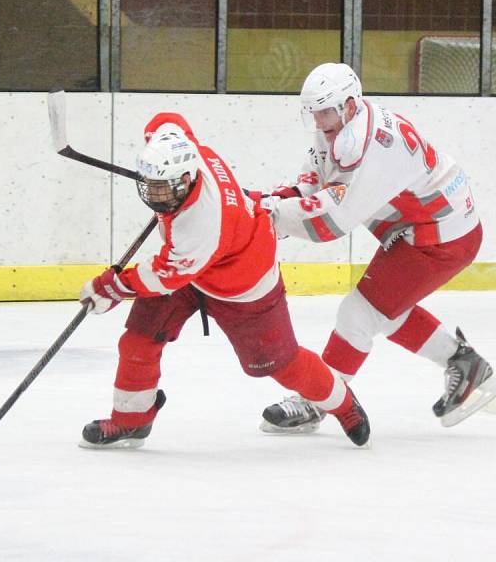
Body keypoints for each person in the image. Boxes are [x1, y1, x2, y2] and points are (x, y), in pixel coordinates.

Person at [77, 112, 371, 449]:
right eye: (150, 186)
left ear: (187, 178)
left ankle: (344, 404)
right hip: (192, 270)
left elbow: (164, 277)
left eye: (163, 188)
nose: (155, 197)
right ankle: (131, 419)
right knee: (139, 340)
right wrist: (155, 139)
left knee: (284, 365)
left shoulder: (201, 224)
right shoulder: (187, 152)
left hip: (244, 285)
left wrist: (111, 287)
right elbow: (169, 120)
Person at [250, 62, 494, 432]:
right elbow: (311, 187)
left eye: (325, 112)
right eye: (313, 113)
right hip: (423, 229)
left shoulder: (376, 147)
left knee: (359, 314)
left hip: (442, 236)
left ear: (350, 104)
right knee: (385, 308)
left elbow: (331, 221)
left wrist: (267, 216)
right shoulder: (342, 125)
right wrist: (263, 203)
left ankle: (319, 399)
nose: (318, 122)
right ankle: (464, 363)